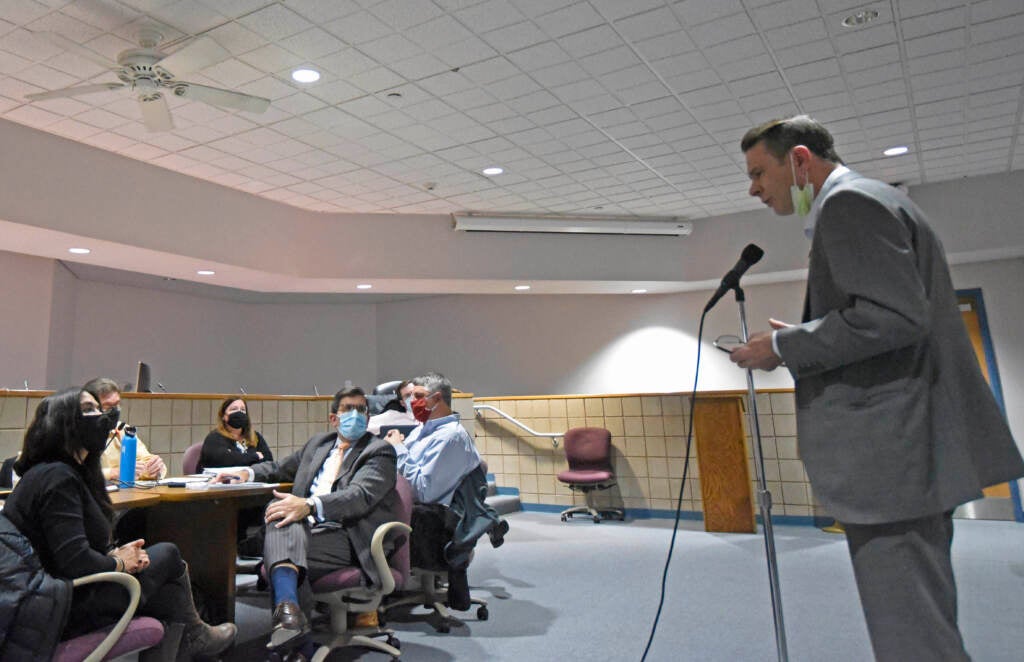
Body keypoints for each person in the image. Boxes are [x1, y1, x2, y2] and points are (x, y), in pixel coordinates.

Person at [730, 115, 1024, 661]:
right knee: (922, 622)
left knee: (910, 634)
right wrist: (803, 336)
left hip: (893, 459)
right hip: (910, 454)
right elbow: (888, 315)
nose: (753, 189)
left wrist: (785, 348)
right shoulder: (874, 201)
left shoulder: (850, 204)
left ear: (798, 160)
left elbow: (891, 318)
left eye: (758, 173)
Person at [2, 388, 236, 659]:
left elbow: (66, 552)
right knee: (168, 555)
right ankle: (195, 637)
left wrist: (115, 556)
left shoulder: (59, 472)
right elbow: (74, 563)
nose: (103, 417)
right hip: (58, 606)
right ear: (63, 422)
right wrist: (119, 562)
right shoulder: (57, 478)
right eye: (90, 409)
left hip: (52, 594)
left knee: (160, 576)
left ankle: (192, 639)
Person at [211, 386, 400, 647]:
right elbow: (278, 468)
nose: (355, 415)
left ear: (368, 418)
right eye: (348, 409)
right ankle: (291, 623)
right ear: (333, 418)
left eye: (361, 410)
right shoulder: (318, 445)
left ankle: (294, 634)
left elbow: (359, 496)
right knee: (284, 521)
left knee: (282, 531)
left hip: (347, 535)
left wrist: (309, 505)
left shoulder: (378, 451)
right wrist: (246, 473)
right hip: (306, 530)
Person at [383, 372, 481, 506]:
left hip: (427, 518)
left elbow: (423, 492)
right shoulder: (420, 429)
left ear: (437, 398)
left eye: (418, 396)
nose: (412, 402)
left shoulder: (451, 436)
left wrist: (398, 448)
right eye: (411, 396)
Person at [83, 377, 166, 482]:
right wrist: (112, 473)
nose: (114, 411)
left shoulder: (123, 429)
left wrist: (155, 468)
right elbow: (74, 474)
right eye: (108, 407)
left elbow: (145, 460)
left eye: (117, 405)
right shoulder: (79, 433)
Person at [199, 397, 273, 471]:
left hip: (251, 480)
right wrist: (255, 456)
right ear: (224, 416)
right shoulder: (214, 438)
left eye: (243, 410)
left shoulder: (255, 436)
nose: (239, 412)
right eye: (234, 409)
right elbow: (224, 461)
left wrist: (240, 459)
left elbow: (268, 462)